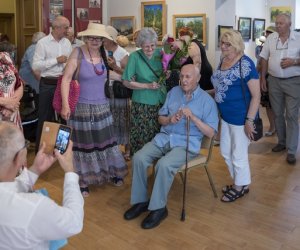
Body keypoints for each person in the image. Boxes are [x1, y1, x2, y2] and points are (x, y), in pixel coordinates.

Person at [123, 64, 218, 229]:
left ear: (198, 78)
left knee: (164, 165)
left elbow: (210, 133)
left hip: (186, 144)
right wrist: (169, 120)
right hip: (165, 138)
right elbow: (161, 118)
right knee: (138, 157)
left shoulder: (207, 101)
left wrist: (194, 118)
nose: (184, 80)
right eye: (182, 76)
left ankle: (159, 208)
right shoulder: (173, 92)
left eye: (188, 76)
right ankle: (140, 201)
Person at [60, 23, 128, 196]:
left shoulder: (104, 54)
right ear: (85, 38)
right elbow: (66, 79)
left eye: (99, 38)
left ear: (103, 40)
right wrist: (66, 105)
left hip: (102, 107)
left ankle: (111, 172)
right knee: (83, 146)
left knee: (106, 142)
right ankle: (82, 181)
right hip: (81, 108)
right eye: (92, 37)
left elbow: (104, 74)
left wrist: (125, 78)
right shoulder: (77, 53)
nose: (95, 41)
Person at [0, 121, 84, 249]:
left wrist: (35, 170)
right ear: (20, 157)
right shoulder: (33, 207)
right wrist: (70, 172)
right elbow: (73, 222)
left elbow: (9, 190)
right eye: (25, 145)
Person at [211, 30, 260, 202]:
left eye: (227, 44)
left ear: (237, 45)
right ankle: (242, 182)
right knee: (225, 151)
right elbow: (220, 88)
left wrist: (249, 120)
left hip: (240, 118)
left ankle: (240, 187)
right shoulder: (223, 60)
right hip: (225, 117)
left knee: (238, 154)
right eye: (221, 43)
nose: (222, 46)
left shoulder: (246, 64)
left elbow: (256, 95)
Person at [260, 14, 300, 165]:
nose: (278, 25)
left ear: (289, 24)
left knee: (291, 115)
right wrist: (263, 78)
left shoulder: (298, 38)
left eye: (281, 23)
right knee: (277, 114)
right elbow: (264, 58)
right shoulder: (271, 38)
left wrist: (294, 61)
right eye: (276, 23)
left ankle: (291, 151)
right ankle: (281, 142)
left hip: (294, 82)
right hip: (274, 81)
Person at [122, 27, 166, 155]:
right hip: (142, 104)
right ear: (140, 45)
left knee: (158, 137)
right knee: (142, 137)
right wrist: (146, 86)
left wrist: (167, 74)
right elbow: (126, 81)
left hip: (161, 102)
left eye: (153, 45)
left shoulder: (161, 54)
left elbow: (166, 73)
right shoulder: (135, 57)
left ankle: (157, 167)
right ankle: (140, 166)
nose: (150, 49)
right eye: (146, 46)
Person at [32, 16, 72, 153]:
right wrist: (56, 60)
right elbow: (36, 66)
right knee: (45, 117)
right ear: (56, 28)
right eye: (66, 27)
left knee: (66, 117)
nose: (68, 30)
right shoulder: (42, 43)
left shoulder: (67, 42)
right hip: (48, 83)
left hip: (64, 83)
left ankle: (63, 150)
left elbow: (69, 63)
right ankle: (41, 151)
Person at [104, 26, 131, 160]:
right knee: (110, 120)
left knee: (123, 119)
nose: (102, 40)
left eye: (104, 38)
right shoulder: (100, 51)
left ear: (111, 39)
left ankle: (127, 149)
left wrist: (115, 67)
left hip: (119, 91)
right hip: (105, 91)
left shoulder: (123, 53)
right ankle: (111, 148)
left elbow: (129, 75)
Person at [255, 26, 276, 136]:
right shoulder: (262, 47)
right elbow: (259, 64)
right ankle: (273, 126)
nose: (267, 35)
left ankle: (276, 126)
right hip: (265, 78)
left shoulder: (274, 47)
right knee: (268, 105)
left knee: (275, 105)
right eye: (266, 33)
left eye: (269, 33)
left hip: (272, 78)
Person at [0, 52, 24, 129]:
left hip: (12, 114)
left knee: (12, 140)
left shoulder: (5, 57)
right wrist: (6, 103)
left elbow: (19, 84)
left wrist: (13, 104)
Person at [19, 32, 46, 96]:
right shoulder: (34, 48)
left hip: (33, 82)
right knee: (36, 103)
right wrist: (44, 84)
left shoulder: (35, 48)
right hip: (31, 83)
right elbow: (35, 69)